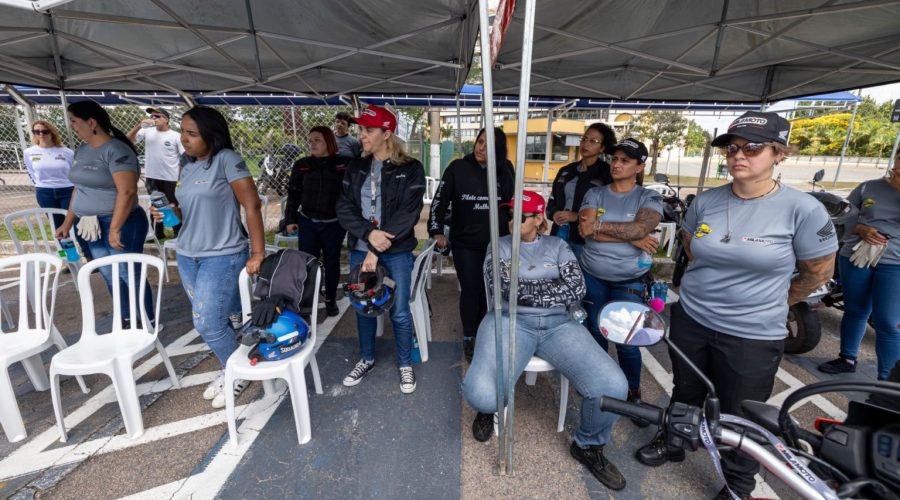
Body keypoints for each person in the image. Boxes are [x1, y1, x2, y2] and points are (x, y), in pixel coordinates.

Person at [634, 112, 837, 500]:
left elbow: (817, 272)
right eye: (732, 147)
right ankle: (674, 441)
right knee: (686, 389)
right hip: (693, 318)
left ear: (779, 153)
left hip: (753, 333)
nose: (738, 155)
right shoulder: (707, 201)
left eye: (752, 147)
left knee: (741, 412)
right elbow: (692, 250)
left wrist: (775, 301)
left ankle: (737, 483)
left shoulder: (803, 209)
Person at [461, 190, 629, 492]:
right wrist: (549, 286)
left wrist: (526, 289)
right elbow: (501, 289)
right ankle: (488, 410)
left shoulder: (558, 245)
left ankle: (588, 445)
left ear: (540, 219)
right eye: (510, 215)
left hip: (559, 324)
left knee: (614, 387)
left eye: (521, 216)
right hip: (509, 321)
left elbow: (576, 289)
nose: (512, 222)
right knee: (483, 396)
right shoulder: (498, 246)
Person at [150, 106, 265, 409]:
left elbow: (252, 205)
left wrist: (257, 252)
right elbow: (188, 211)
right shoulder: (187, 167)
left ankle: (240, 369)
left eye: (192, 133)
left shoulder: (227, 160)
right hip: (188, 255)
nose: (184, 139)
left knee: (207, 323)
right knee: (222, 319)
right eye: (183, 132)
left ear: (210, 135)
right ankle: (233, 367)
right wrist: (170, 212)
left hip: (223, 255)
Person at [336, 105, 425, 394]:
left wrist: (376, 248)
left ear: (387, 134)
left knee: (398, 311)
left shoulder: (410, 168)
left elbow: (407, 214)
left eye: (368, 130)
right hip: (361, 248)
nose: (361, 135)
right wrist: (368, 234)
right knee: (363, 307)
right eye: (360, 129)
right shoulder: (356, 166)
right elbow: (344, 207)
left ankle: (404, 364)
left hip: (396, 251)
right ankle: (367, 358)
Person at [577, 138, 662, 424]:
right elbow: (584, 230)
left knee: (627, 339)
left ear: (640, 166)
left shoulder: (648, 197)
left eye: (625, 160)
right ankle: (601, 386)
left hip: (630, 278)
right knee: (596, 333)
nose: (617, 164)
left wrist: (602, 227)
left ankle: (632, 393)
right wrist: (633, 237)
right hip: (593, 274)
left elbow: (642, 226)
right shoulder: (595, 193)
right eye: (614, 158)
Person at [55, 100, 155, 328]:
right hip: (89, 225)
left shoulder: (117, 150)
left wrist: (115, 227)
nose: (72, 126)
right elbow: (79, 189)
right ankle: (127, 318)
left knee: (129, 273)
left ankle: (148, 320)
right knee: (109, 274)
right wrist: (67, 222)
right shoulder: (82, 149)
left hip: (119, 222)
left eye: (74, 121)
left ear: (91, 122)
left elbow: (127, 191)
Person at [427, 127, 515, 360]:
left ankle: (486, 333)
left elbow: (511, 205)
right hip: (465, 243)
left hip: (497, 244)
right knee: (471, 290)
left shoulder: (506, 170)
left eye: (488, 145)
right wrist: (436, 231)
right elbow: (439, 202)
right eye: (479, 141)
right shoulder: (457, 168)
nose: (481, 148)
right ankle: (469, 336)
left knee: (494, 292)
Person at [818, 149, 900, 381]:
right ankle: (847, 358)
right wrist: (861, 228)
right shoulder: (868, 187)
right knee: (856, 310)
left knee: (888, 321)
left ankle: (888, 382)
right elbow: (843, 217)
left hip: (895, 263)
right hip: (856, 256)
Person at [283, 126, 349, 317]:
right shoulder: (302, 164)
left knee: (331, 261)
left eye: (317, 140)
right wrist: (290, 219)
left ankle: (329, 299)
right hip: (308, 222)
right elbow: (293, 194)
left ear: (329, 142)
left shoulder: (344, 164)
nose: (312, 143)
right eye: (310, 140)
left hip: (334, 223)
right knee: (307, 263)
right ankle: (306, 301)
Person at [23, 120, 92, 260]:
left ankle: (90, 257)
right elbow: (31, 172)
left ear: (52, 133)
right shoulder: (29, 152)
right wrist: (41, 185)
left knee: (77, 224)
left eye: (44, 131)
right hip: (45, 192)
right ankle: (70, 258)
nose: (40, 134)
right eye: (36, 132)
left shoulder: (66, 152)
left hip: (68, 190)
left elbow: (74, 171)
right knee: (58, 227)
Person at [547, 122, 615, 258]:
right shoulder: (566, 170)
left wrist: (577, 216)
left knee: (581, 277)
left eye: (593, 141)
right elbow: (551, 200)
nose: (586, 144)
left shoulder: (607, 174)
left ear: (602, 148)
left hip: (584, 239)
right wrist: (554, 214)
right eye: (584, 139)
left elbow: (609, 212)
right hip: (558, 234)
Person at [127, 107, 185, 239]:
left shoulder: (175, 136)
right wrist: (138, 126)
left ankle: (178, 232)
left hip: (170, 177)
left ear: (166, 119)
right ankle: (158, 234)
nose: (154, 119)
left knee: (172, 204)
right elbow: (128, 140)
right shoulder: (146, 131)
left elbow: (184, 156)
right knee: (156, 204)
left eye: (157, 116)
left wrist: (182, 176)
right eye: (152, 116)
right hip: (152, 176)